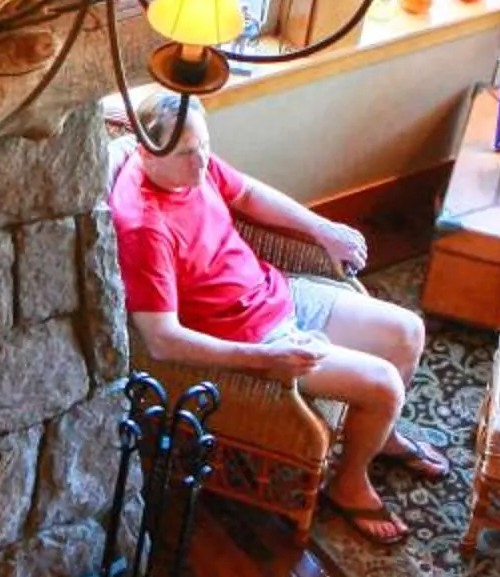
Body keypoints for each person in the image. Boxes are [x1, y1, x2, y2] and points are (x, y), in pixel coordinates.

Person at [109, 90, 442, 545]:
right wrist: (263, 360)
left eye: (205, 146)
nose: (202, 163)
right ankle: (348, 484)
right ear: (148, 151)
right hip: (254, 338)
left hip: (275, 290)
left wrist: (323, 229)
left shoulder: (188, 165)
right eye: (189, 153)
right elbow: (161, 340)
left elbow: (246, 193)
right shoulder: (144, 226)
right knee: (384, 384)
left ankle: (377, 437)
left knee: (408, 331)